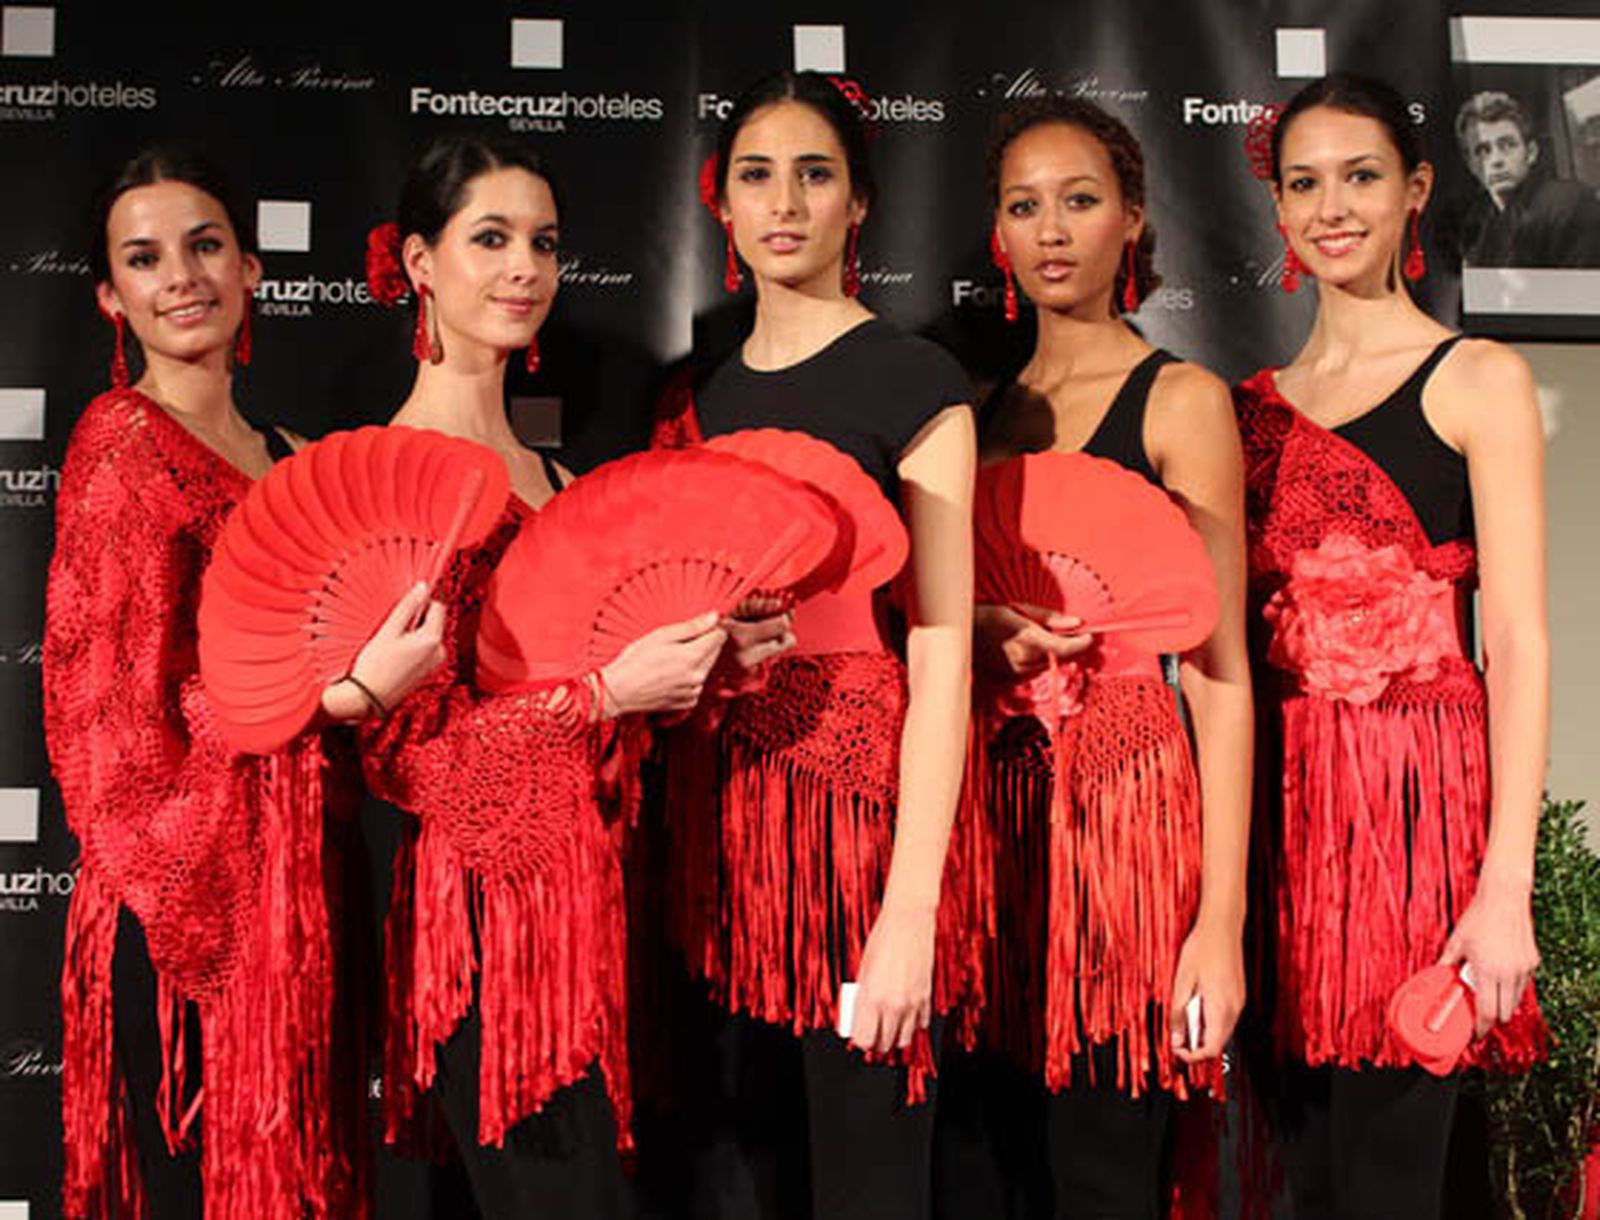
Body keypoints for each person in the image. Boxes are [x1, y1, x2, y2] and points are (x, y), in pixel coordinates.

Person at [44, 147, 442, 1219]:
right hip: (181, 901)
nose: (181, 276)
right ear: (109, 294)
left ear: (253, 268)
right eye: (145, 257)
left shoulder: (296, 458)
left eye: (205, 245)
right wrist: (345, 697)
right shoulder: (120, 442)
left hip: (311, 893)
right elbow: (113, 727)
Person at [358, 132, 727, 1220]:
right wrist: (609, 692)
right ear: (420, 263)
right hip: (486, 934)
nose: (525, 266)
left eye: (544, 242)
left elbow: (605, 697)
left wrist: (695, 667)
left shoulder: (559, 474)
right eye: (490, 238)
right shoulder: (384, 479)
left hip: (600, 913)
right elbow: (411, 761)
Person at [649, 69, 976, 1220]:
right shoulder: (699, 395)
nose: (783, 199)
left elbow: (942, 650)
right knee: (736, 1177)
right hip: (718, 837)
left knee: (866, 1179)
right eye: (755, 174)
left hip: (859, 833)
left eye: (814, 172)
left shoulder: (915, 379)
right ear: (721, 208)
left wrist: (909, 911)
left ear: (859, 204)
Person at [932, 95, 1252, 1220]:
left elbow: (1219, 674)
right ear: (999, 237)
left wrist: (1218, 924)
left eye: (1078, 200)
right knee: (975, 1164)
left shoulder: (1182, 400)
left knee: (1105, 1163)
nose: (1052, 229)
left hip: (1124, 822)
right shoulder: (968, 412)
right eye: (1025, 206)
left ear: (1132, 220)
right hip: (984, 826)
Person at [1236, 73, 1548, 1219]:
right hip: (1280, 828)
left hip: (1417, 824)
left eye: (1360, 176)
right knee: (1293, 1173)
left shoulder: (1478, 379)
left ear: (1415, 190)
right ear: (1275, 213)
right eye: (1303, 183)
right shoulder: (1244, 408)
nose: (1332, 207)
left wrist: (1502, 885)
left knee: (1395, 1174)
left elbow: (1513, 638)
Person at [1455, 89, 1600, 266]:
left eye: (1507, 145)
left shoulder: (1570, 204)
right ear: (1471, 165)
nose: (1496, 160)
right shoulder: (1478, 227)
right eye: (1483, 151)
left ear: (1531, 153)